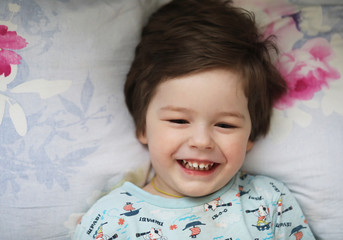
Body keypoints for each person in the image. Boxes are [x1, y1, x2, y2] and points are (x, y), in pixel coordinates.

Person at [73, 0, 315, 239]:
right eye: (179, 121)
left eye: (225, 125)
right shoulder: (109, 221)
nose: (201, 141)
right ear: (143, 127)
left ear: (250, 135)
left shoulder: (269, 201)